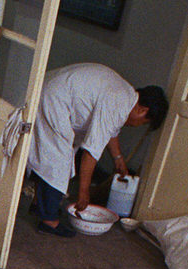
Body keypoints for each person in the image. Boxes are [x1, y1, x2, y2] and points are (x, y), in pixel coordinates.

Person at [27, 63, 166, 237]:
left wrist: (118, 159)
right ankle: (48, 221)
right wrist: (84, 192)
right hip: (53, 99)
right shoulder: (118, 103)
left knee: (51, 157)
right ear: (142, 110)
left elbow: (110, 132)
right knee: (58, 161)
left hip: (53, 90)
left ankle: (39, 205)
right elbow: (90, 152)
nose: (138, 125)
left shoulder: (125, 95)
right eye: (144, 122)